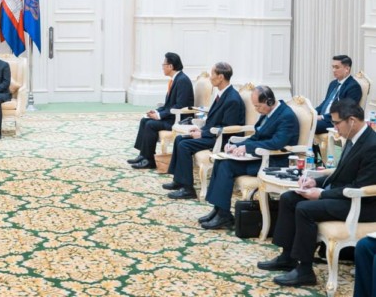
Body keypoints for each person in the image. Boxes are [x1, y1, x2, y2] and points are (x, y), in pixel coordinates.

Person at [258, 99, 376, 287]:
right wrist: (315, 182)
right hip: (344, 195)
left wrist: (321, 194)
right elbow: (340, 174)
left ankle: (305, 271)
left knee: (305, 209)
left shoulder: (372, 145)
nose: (335, 128)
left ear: (352, 120)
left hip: (363, 204)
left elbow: (358, 187)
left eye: (337, 123)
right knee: (289, 197)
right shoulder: (353, 138)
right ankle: (287, 257)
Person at [200, 86, 299, 229]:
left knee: (227, 166)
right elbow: (257, 136)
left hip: (274, 162)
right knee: (221, 161)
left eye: (258, 106)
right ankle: (219, 210)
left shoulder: (286, 116)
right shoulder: (268, 112)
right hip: (260, 157)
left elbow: (277, 143)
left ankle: (223, 215)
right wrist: (237, 145)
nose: (256, 110)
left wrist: (247, 148)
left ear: (269, 102)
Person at [164, 62, 246, 199]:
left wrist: (202, 133)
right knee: (179, 139)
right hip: (212, 134)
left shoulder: (232, 99)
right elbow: (215, 120)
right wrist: (200, 129)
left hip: (222, 139)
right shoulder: (222, 94)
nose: (210, 77)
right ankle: (179, 181)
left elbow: (227, 128)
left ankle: (188, 190)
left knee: (184, 145)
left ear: (220, 77)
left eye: (212, 74)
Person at [127, 52, 194, 169]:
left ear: (170, 66)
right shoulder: (175, 79)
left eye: (164, 64)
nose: (162, 67)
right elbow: (169, 105)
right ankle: (143, 155)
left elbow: (180, 106)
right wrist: (156, 112)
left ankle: (149, 161)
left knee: (151, 124)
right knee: (145, 120)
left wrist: (159, 116)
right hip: (171, 116)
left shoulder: (182, 80)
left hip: (179, 120)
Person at [314, 54, 361, 134]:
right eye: (333, 67)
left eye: (337, 67)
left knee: (308, 125)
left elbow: (345, 111)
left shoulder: (353, 87)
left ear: (347, 69)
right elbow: (325, 103)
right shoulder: (333, 83)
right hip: (324, 118)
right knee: (301, 120)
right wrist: (313, 113)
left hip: (335, 122)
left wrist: (322, 117)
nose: (333, 70)